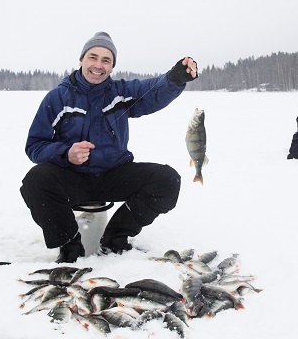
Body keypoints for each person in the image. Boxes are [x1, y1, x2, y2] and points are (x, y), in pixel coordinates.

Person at [20, 31, 198, 263]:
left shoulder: (121, 93)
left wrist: (175, 78)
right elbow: (35, 145)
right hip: (71, 177)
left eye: (106, 60)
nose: (98, 65)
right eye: (93, 57)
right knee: (36, 180)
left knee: (167, 180)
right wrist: (66, 153)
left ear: (112, 67)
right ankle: (69, 247)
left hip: (113, 175)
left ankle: (116, 238)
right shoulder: (57, 98)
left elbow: (153, 90)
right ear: (82, 60)